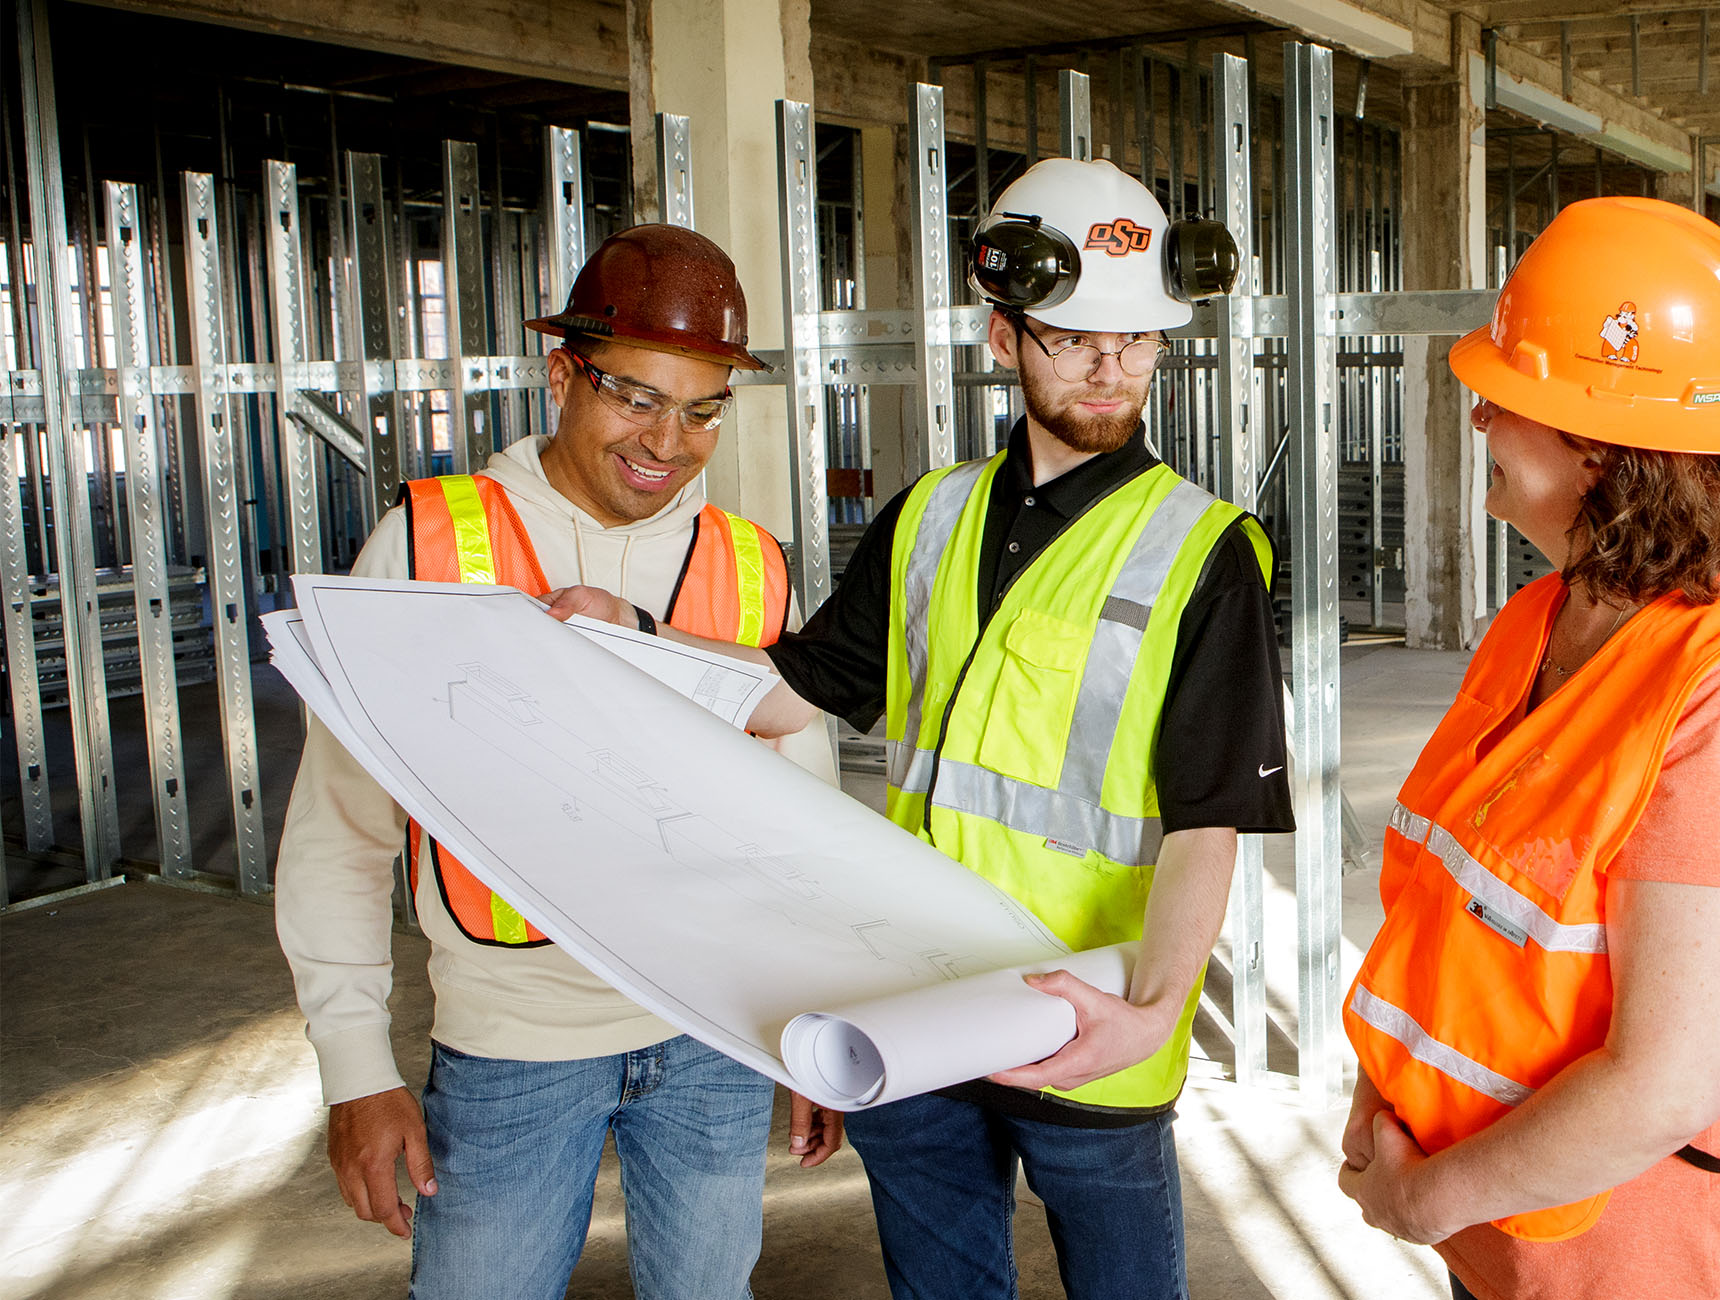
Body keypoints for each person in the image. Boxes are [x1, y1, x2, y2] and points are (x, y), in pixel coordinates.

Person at [548, 156, 1292, 1300]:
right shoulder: (927, 517)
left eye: (1139, 342)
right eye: (1075, 338)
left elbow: (1210, 822)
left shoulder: (1204, 552)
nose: (1113, 368)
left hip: (1086, 1021)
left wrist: (1148, 1017)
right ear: (1004, 340)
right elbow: (787, 691)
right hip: (924, 1005)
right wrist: (630, 632)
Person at [1332, 196, 1720, 1300]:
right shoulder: (1539, 617)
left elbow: (1663, 1086)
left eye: (1506, 398)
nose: (1480, 420)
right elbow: (1458, 914)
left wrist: (1413, 1200)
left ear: (1598, 448)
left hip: (1656, 1271)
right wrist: (1389, 1105)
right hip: (1509, 1242)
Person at [275, 224, 821, 1299]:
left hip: (716, 1038)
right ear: (562, 373)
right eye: (636, 396)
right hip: (511, 1047)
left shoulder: (750, 567)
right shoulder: (430, 548)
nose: (669, 440)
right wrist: (355, 1069)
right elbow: (339, 832)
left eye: (703, 407)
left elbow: (807, 832)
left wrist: (814, 1022)